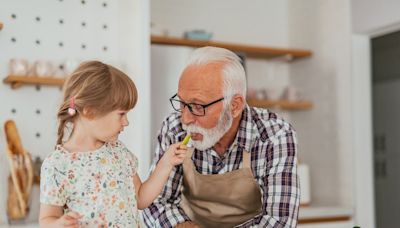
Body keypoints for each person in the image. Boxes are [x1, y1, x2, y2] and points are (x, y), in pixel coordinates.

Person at [143, 46, 300, 228]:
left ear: (234, 105)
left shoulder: (276, 135)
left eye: (198, 106)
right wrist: (181, 225)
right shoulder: (174, 128)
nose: (185, 118)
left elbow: (279, 222)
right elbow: (154, 201)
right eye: (182, 103)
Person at [39, 61, 187, 228]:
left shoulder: (119, 152)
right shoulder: (57, 164)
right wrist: (58, 224)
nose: (126, 122)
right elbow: (46, 219)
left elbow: (140, 198)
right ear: (90, 111)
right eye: (121, 114)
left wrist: (166, 163)